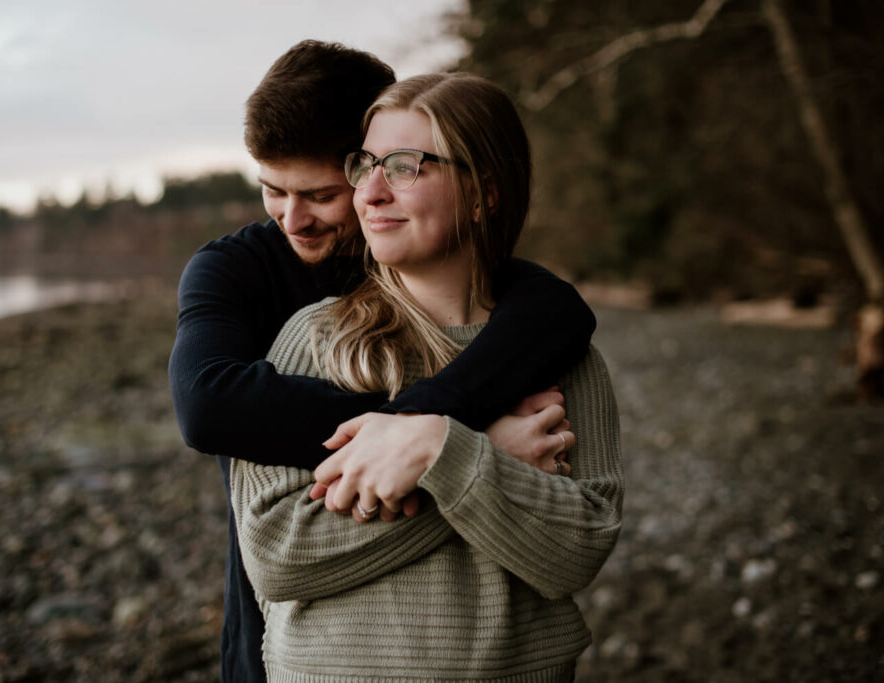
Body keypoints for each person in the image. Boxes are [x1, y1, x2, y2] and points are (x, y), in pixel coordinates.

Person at [169, 41, 596, 682]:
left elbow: (560, 312)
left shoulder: (431, 255)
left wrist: (430, 443)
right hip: (289, 626)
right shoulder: (235, 269)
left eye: (318, 194)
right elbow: (206, 406)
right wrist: (458, 441)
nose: (293, 219)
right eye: (272, 191)